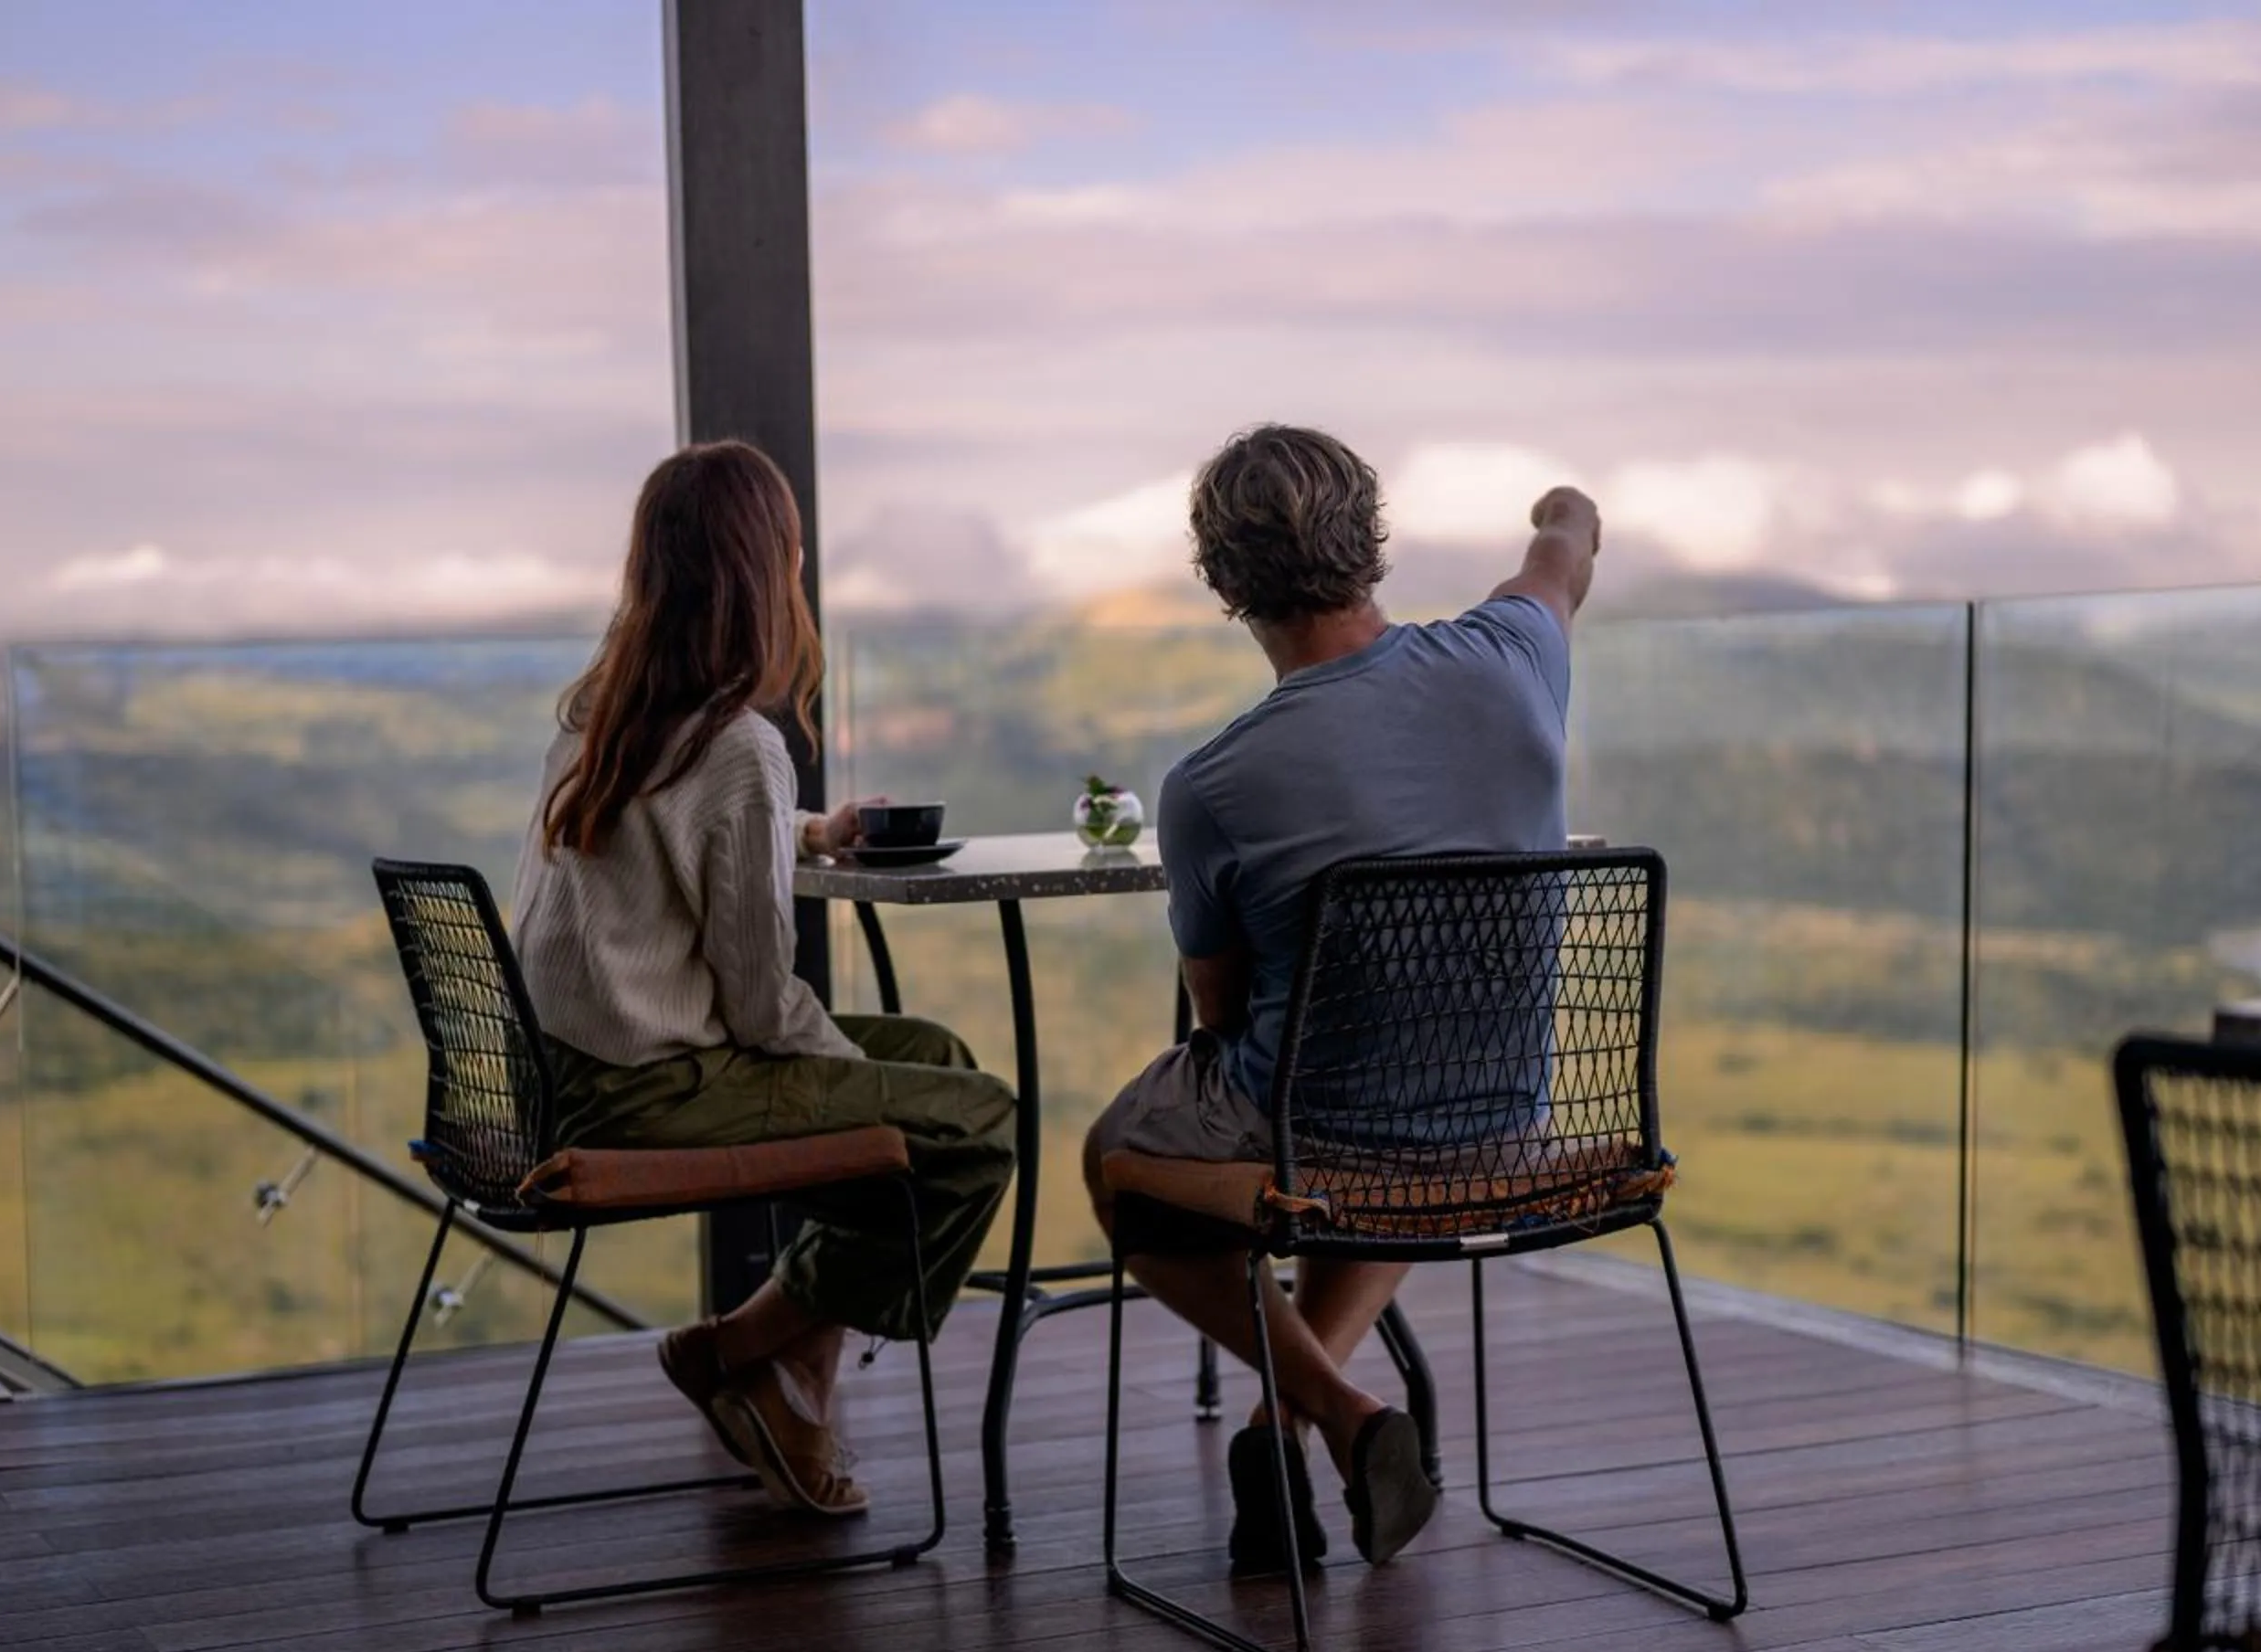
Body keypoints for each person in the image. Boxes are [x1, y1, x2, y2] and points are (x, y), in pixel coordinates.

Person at [1083, 423, 1598, 1572]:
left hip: (1332, 1133)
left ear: (1224, 582)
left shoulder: (1213, 784)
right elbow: (1565, 543)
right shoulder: (1516, 654)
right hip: (1504, 1119)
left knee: (1123, 1159)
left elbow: (1218, 1023)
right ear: (1371, 544)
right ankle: (1281, 1435)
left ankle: (1336, 1411)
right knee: (1380, 1126)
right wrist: (1559, 508)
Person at [513, 439, 1016, 1519]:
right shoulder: (741, 743)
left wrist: (805, 832)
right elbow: (760, 1004)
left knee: (936, 1060)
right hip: (657, 1088)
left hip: (563, 1069)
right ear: (766, 573)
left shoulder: (602, 711)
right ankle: (740, 1348)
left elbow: (670, 832)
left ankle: (788, 1387)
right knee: (976, 1125)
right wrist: (846, 1080)